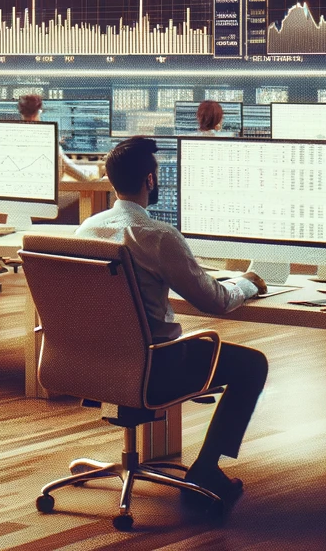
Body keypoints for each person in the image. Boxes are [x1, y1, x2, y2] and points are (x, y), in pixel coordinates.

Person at [75, 136, 269, 510]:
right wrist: (248, 282)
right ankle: (207, 468)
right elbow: (214, 300)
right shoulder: (158, 237)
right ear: (150, 180)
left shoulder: (88, 230)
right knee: (252, 364)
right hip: (155, 367)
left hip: (94, 361)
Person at [16, 94, 93, 219]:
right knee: (85, 195)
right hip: (44, 203)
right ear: (39, 111)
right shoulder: (45, 135)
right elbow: (72, 170)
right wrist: (93, 179)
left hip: (20, 203)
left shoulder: (14, 135)